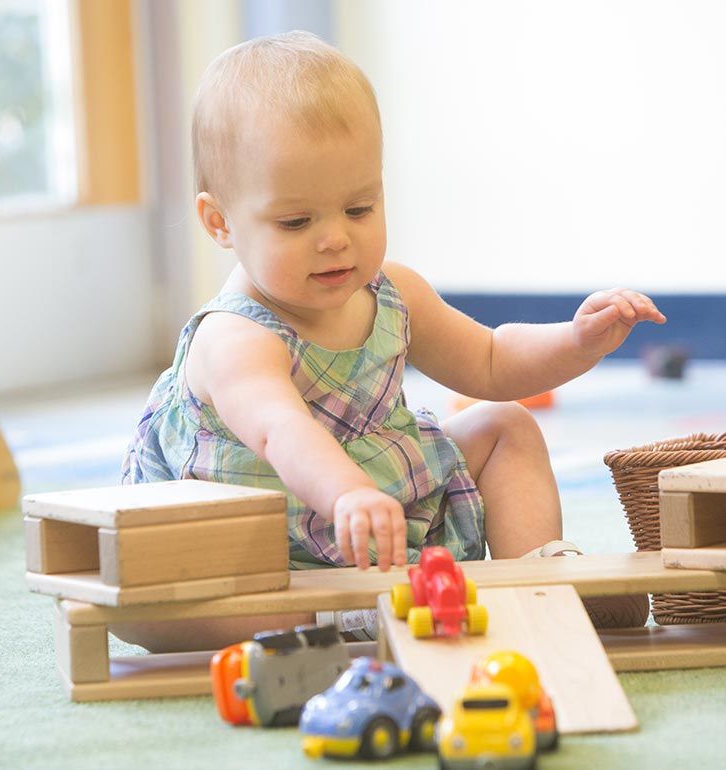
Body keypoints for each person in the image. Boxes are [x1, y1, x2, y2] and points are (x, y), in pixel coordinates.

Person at [115, 31, 665, 651]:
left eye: (359, 207)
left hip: (382, 510)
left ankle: (535, 577)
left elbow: (488, 359)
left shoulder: (393, 293)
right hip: (262, 538)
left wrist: (579, 341)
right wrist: (347, 492)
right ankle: (334, 619)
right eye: (296, 222)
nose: (335, 239)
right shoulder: (235, 336)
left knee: (505, 425)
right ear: (219, 222)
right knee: (159, 612)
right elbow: (280, 430)